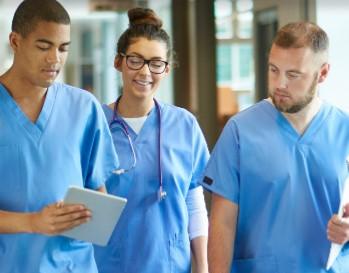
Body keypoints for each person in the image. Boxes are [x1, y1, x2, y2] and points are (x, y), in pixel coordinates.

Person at [201, 21, 349, 273]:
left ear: (322, 73)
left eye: (293, 75)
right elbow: (222, 224)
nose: (280, 83)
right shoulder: (240, 131)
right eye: (273, 70)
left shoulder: (344, 130)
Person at [0, 0, 119, 272]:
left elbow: (97, 193)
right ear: (15, 41)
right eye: (44, 47)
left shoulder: (84, 107)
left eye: (63, 48)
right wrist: (32, 222)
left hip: (73, 264)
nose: (55, 59)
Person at [93, 7, 209, 273]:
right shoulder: (96, 126)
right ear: (118, 62)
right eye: (135, 60)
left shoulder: (184, 125)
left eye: (156, 63)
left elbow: (193, 200)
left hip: (171, 265)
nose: (145, 72)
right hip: (108, 265)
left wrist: (202, 266)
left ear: (166, 69)